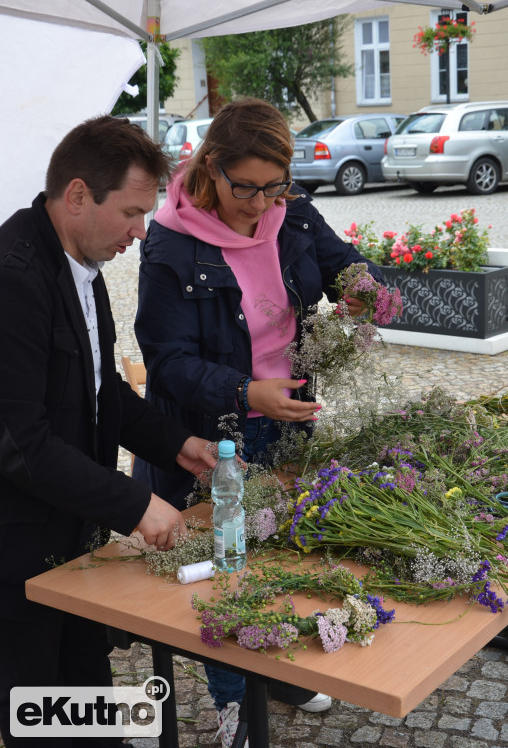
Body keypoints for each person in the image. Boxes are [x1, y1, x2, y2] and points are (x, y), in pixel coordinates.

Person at [133, 98, 385, 747]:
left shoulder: (291, 213)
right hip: (208, 437)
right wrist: (247, 390)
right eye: (246, 187)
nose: (261, 203)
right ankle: (233, 707)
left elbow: (341, 264)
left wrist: (366, 289)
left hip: (287, 419)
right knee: (226, 571)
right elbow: (167, 364)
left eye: (275, 186)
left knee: (281, 552)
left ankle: (278, 669)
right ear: (212, 167)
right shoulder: (171, 240)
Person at [0, 116, 218, 748]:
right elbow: (21, 441)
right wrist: (135, 504)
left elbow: (103, 393)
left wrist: (175, 443)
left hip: (71, 545)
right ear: (76, 196)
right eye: (130, 212)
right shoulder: (14, 277)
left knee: (91, 714)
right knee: (40, 725)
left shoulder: (82, 264)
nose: (140, 231)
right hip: (18, 562)